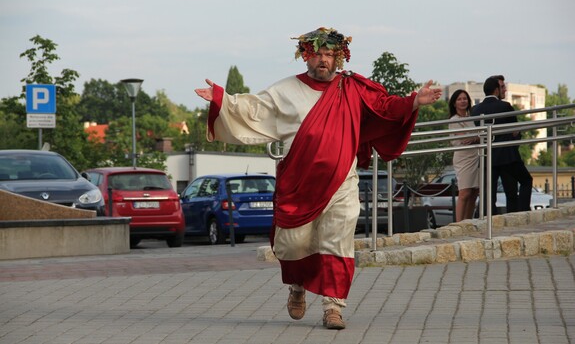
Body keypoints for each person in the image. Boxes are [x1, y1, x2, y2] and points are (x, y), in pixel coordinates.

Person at [194, 27, 441, 330]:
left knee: (338, 241)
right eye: (318, 54)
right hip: (298, 184)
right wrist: (220, 99)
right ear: (306, 56)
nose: (323, 60)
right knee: (293, 245)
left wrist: (415, 100)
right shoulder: (285, 90)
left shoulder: (352, 88)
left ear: (339, 58)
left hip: (342, 181)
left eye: (329, 54)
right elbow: (253, 109)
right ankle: (298, 285)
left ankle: (333, 306)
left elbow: (385, 107)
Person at [471, 75, 532, 213]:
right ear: (496, 90)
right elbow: (515, 131)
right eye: (501, 87)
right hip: (507, 155)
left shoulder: (475, 110)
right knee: (523, 183)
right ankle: (521, 214)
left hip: (486, 156)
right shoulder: (505, 106)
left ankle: (487, 221)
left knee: (488, 194)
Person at [448, 90, 480, 221]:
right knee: (464, 192)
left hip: (476, 155)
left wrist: (475, 138)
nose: (463, 101)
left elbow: (478, 137)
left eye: (465, 98)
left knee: (474, 192)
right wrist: (476, 137)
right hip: (463, 158)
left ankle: (468, 221)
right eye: (459, 99)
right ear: (454, 103)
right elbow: (465, 138)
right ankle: (458, 224)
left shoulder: (471, 118)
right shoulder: (454, 120)